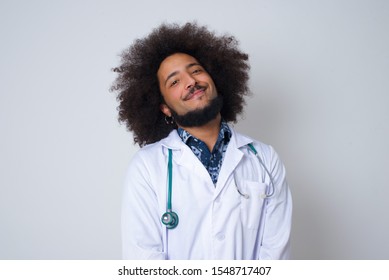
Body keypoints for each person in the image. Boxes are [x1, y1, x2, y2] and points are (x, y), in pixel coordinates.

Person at [111, 22, 292, 260]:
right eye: (174, 82)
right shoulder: (146, 167)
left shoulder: (264, 159)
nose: (191, 82)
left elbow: (275, 256)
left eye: (195, 70)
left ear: (215, 79)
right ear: (165, 108)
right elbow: (143, 260)